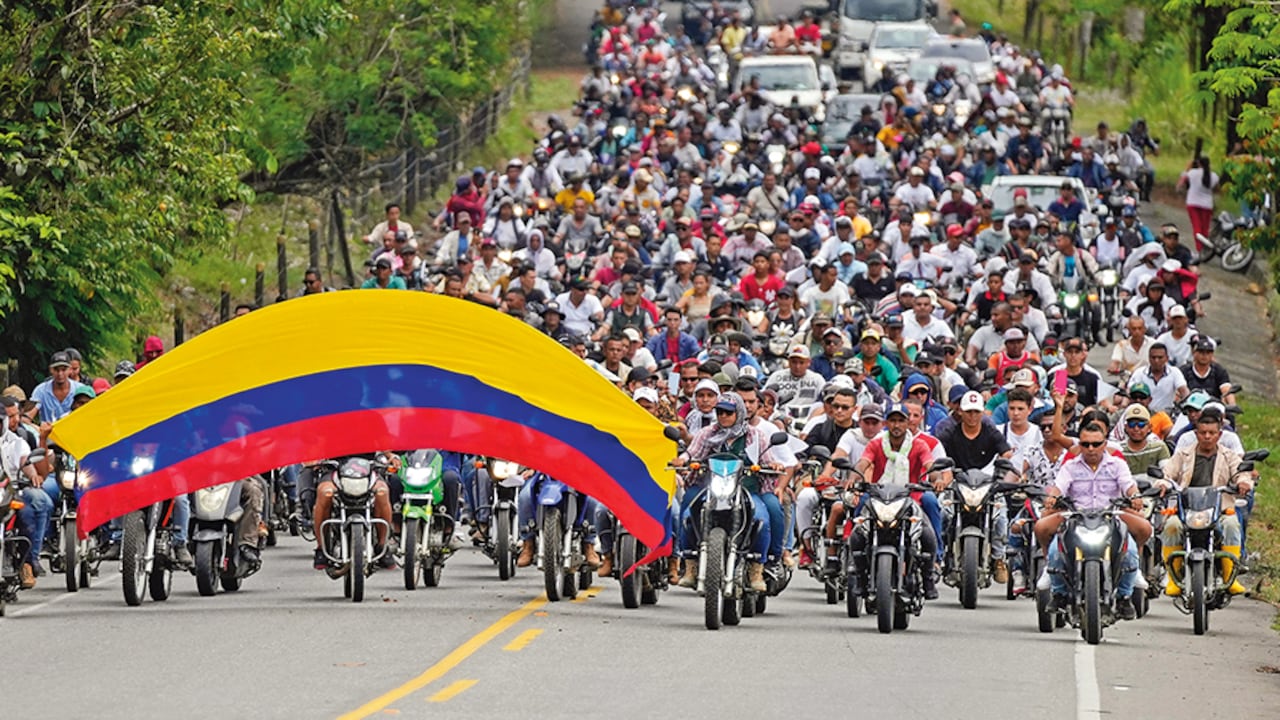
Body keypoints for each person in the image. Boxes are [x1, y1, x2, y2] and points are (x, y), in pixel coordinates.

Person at [673, 392, 786, 592]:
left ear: (739, 413)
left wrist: (773, 465)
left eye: (728, 412)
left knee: (766, 517)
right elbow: (692, 452)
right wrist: (683, 460)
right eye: (720, 412)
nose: (723, 416)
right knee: (688, 511)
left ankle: (759, 567)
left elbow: (767, 459)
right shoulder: (707, 433)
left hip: (748, 490)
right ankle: (689, 563)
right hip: (712, 489)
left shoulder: (755, 435)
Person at [830, 402, 941, 599]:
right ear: (886, 423)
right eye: (892, 420)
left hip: (909, 500)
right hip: (879, 498)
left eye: (901, 420)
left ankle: (928, 578)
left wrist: (937, 479)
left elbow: (929, 464)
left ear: (908, 423)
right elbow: (863, 462)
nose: (896, 425)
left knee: (928, 536)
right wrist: (853, 479)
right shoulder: (876, 444)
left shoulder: (919, 445)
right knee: (857, 534)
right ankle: (859, 576)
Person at [1038, 420, 1144, 620]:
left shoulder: (1117, 464)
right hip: (1077, 518)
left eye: (1096, 444)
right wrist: (1052, 498)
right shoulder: (1070, 466)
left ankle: (1124, 596)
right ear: (1080, 445)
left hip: (1110, 518)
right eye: (1085, 444)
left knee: (1129, 553)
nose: (1091, 448)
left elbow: (1128, 485)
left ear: (1105, 444)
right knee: (1054, 551)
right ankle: (1059, 593)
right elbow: (1059, 486)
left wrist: (1135, 496)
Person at [1154, 413, 1248, 596]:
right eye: (1203, 432)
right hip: (1187, 509)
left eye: (1211, 433)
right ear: (1196, 433)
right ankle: (1173, 579)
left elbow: (1241, 474)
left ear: (1219, 435)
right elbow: (1166, 474)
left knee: (1231, 525)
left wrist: (1243, 482)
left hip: (1219, 510)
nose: (1207, 436)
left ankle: (1231, 577)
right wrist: (1163, 484)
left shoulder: (1229, 456)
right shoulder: (1183, 454)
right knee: (1171, 526)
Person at [937, 391, 1014, 582]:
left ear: (982, 413)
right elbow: (940, 457)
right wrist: (944, 476)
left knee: (1001, 516)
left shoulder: (991, 433)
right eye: (969, 412)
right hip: (958, 483)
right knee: (942, 511)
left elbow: (1006, 453)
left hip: (986, 483)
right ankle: (940, 554)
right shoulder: (950, 434)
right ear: (960, 412)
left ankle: (998, 557)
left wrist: (999, 471)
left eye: (976, 412)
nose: (972, 416)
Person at [312, 454, 397, 570]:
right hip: (335, 470)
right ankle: (321, 547)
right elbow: (318, 440)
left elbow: (383, 440)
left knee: (382, 491)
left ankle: (382, 546)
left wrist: (391, 456)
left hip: (368, 469)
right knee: (324, 492)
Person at [30, 350, 86, 423]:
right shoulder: (41, 390)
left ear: (69, 370)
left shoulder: (80, 389)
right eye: (56, 370)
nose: (60, 373)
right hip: (49, 433)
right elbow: (27, 416)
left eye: (63, 370)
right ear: (51, 370)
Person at [1177, 156, 1218, 252]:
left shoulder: (1192, 173)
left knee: (1197, 227)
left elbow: (1182, 181)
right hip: (1207, 204)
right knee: (1205, 228)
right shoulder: (1214, 176)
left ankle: (1199, 249)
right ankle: (1205, 248)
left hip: (1193, 203)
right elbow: (1216, 189)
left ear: (1198, 163)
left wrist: (1188, 166)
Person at [1117, 404, 1170, 477]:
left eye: (1141, 424)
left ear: (1149, 427)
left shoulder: (1159, 447)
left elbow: (1167, 472)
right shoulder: (1118, 450)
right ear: (1126, 427)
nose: (1136, 429)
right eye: (1132, 424)